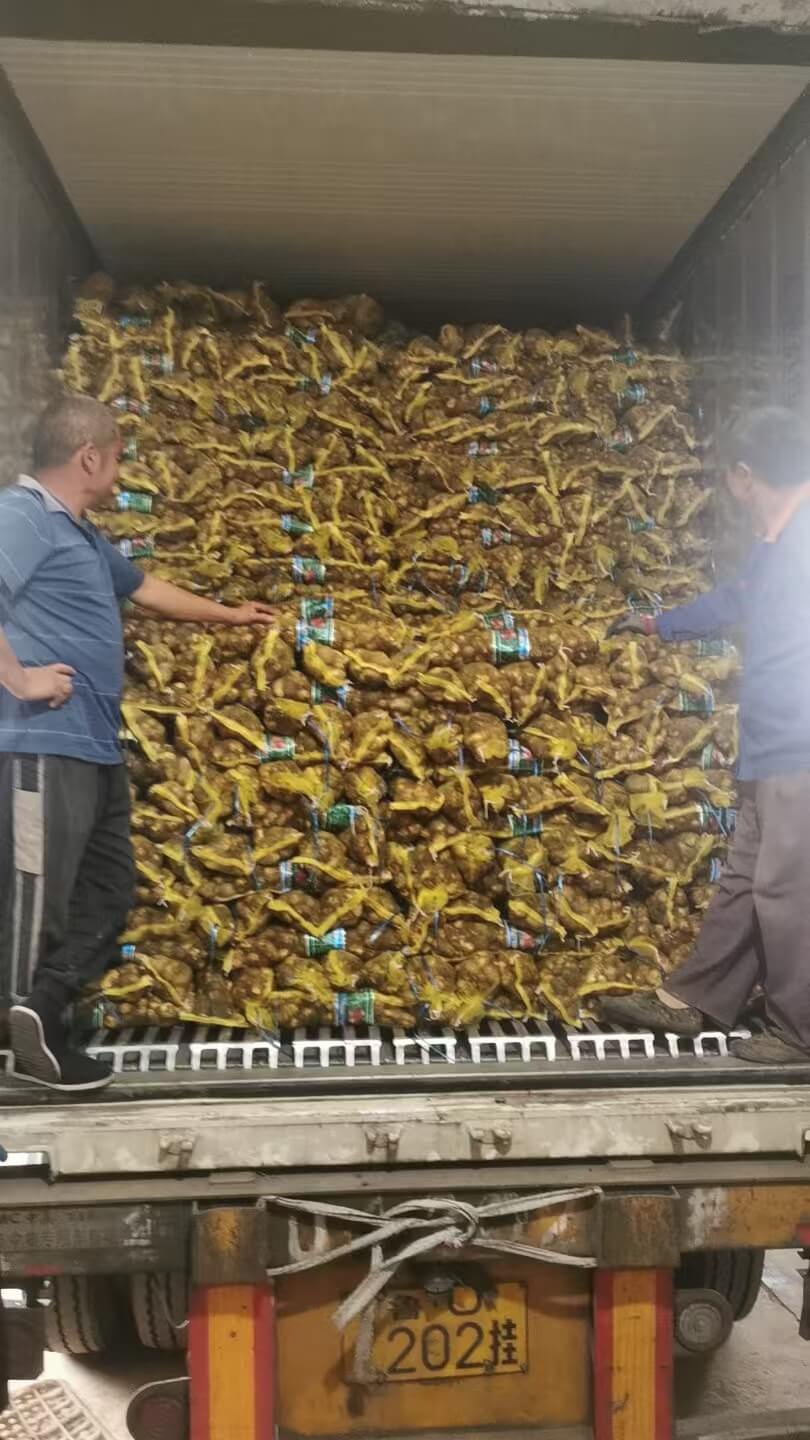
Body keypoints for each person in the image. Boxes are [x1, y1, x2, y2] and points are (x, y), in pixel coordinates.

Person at [0, 396, 275, 1091]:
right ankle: (16, 1055)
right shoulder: (22, 515)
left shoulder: (81, 536)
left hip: (95, 748)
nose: (121, 472)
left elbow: (146, 588)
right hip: (40, 744)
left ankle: (42, 1016)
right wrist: (21, 679)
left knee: (109, 887)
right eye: (118, 457)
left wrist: (230, 615)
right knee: (34, 898)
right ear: (89, 457)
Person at [602, 405, 810, 1064]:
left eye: (729, 477)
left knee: (786, 889)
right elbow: (737, 599)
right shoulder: (780, 544)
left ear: (745, 475)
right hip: (770, 746)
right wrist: (658, 625)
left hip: (800, 747)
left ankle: (800, 1030)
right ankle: (695, 999)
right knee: (746, 879)